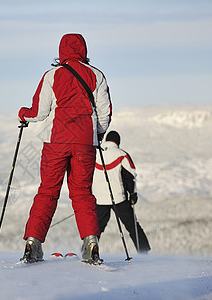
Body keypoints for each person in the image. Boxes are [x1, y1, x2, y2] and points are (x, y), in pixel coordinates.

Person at [18, 33, 112, 264]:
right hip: (84, 144)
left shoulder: (52, 75)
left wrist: (23, 114)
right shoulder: (97, 75)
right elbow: (105, 113)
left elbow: (39, 112)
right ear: (83, 50)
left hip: (56, 142)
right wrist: (96, 134)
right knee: (82, 194)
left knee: (48, 191)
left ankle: (33, 243)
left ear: (61, 51)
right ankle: (91, 244)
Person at [92, 130, 151, 253]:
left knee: (96, 229)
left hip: (99, 199)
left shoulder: (95, 154)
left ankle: (88, 252)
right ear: (118, 142)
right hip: (119, 198)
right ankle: (144, 252)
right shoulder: (122, 155)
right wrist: (133, 194)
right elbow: (130, 176)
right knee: (132, 226)